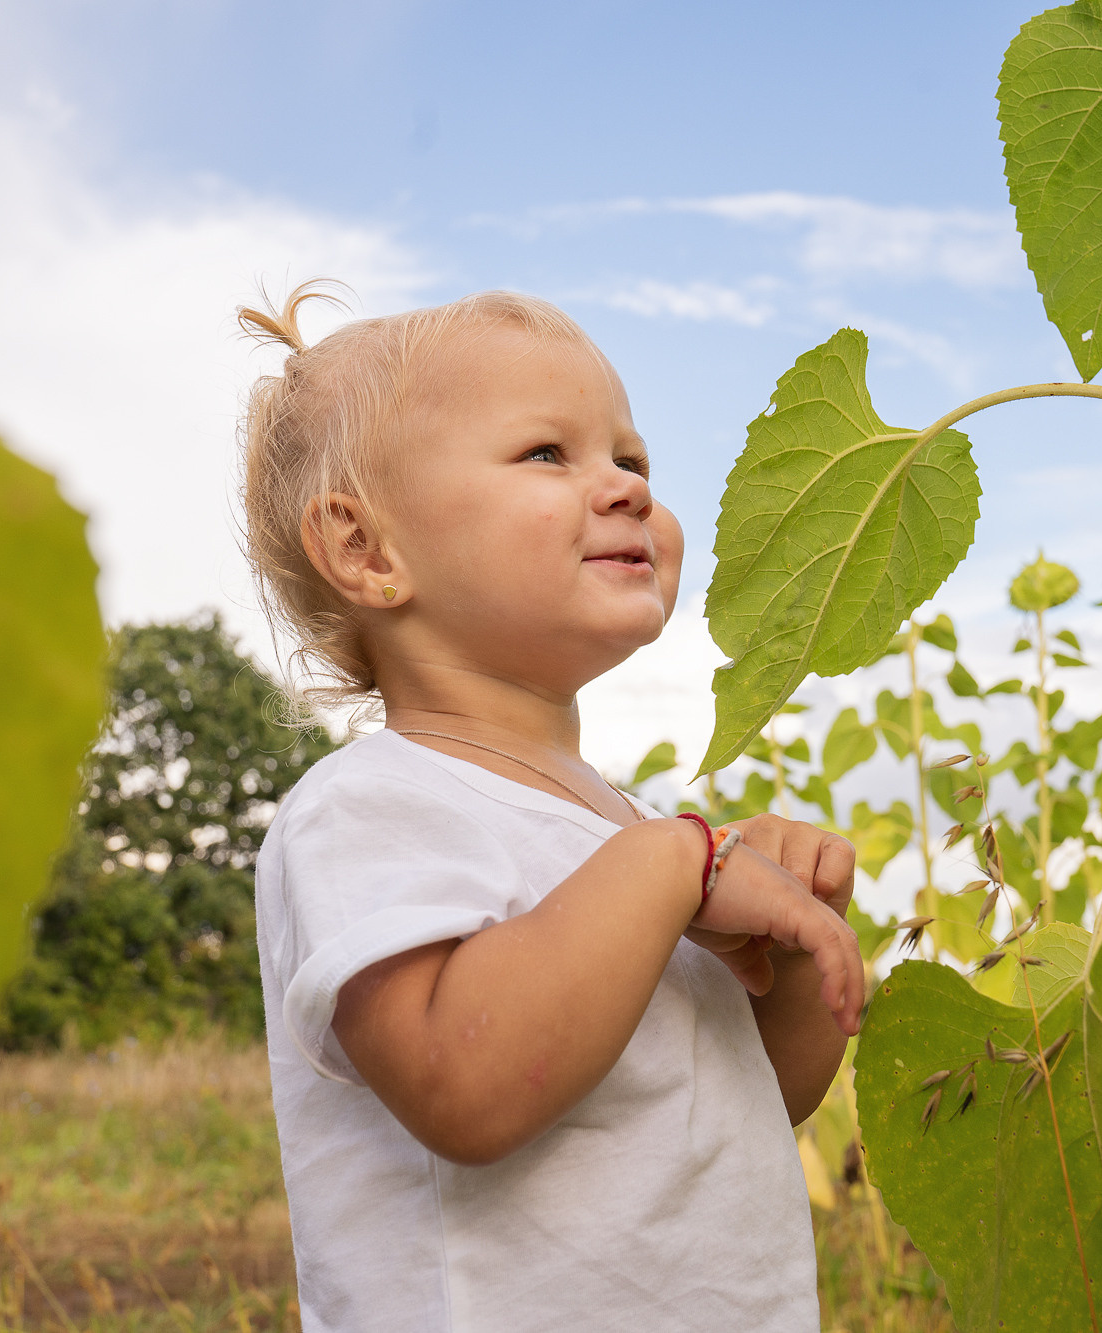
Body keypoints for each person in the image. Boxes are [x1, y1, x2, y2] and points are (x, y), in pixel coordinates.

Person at [240, 279, 864, 1332]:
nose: (624, 488)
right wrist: (672, 865)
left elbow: (747, 1101)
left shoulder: (626, 830)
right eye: (546, 453)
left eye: (632, 459)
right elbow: (465, 1085)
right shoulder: (368, 808)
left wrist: (794, 948)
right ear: (364, 549)